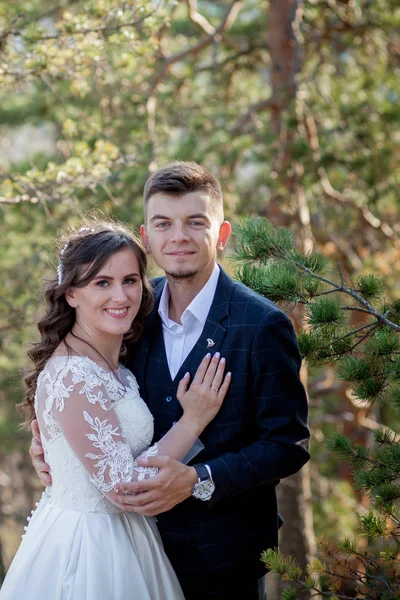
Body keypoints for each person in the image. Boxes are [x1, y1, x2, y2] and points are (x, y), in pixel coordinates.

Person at [31, 161, 310, 599]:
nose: (178, 236)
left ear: (221, 234)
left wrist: (201, 477)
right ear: (147, 238)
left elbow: (288, 443)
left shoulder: (261, 325)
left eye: (195, 222)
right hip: (127, 548)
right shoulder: (129, 310)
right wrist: (51, 442)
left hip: (222, 552)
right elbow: (88, 398)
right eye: (164, 223)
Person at [1, 222, 231, 600]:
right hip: (90, 548)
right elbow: (124, 489)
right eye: (102, 283)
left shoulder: (117, 367)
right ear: (71, 294)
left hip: (132, 539)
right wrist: (192, 421)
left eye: (130, 280)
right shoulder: (74, 375)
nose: (121, 295)